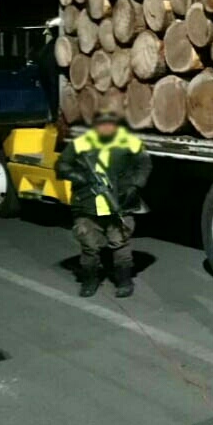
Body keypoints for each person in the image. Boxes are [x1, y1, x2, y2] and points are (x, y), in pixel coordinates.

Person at [55, 107, 151, 298]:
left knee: (120, 243)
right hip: (87, 204)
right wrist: (79, 177)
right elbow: (61, 165)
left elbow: (144, 164)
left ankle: (124, 281)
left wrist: (134, 185)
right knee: (89, 245)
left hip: (119, 202)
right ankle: (90, 280)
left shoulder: (129, 142)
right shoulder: (81, 143)